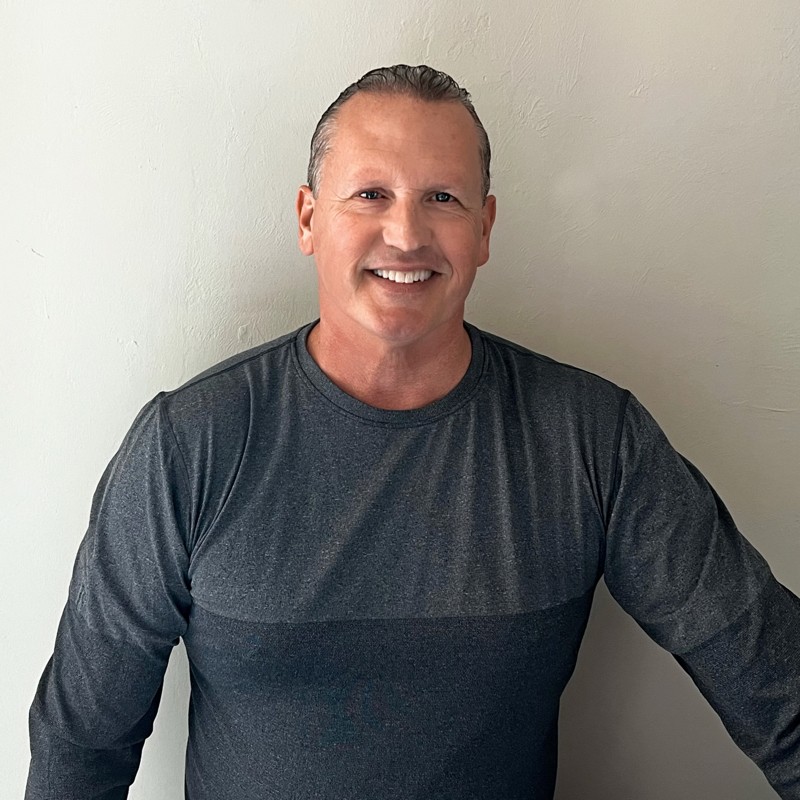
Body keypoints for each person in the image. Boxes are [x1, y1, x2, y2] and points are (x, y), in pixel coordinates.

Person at [26, 64, 799, 800]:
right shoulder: (188, 444)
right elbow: (82, 742)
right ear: (307, 219)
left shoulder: (593, 439)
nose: (405, 234)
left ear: (485, 228)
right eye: (370, 194)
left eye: (442, 198)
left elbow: (774, 679)